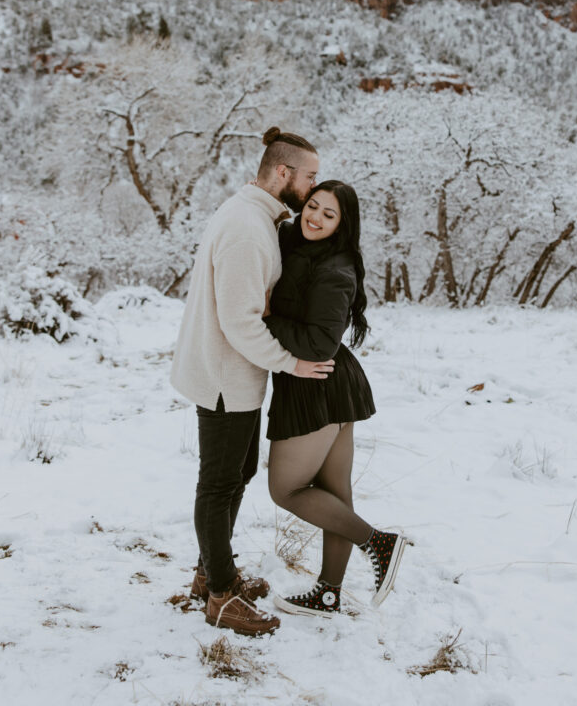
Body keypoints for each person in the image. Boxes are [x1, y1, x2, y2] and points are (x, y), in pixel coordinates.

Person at [170, 128, 335, 637]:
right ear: (282, 173)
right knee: (219, 484)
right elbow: (241, 322)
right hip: (225, 376)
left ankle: (210, 573)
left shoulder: (254, 217)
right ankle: (220, 596)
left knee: (234, 476)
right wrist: (291, 362)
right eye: (308, 176)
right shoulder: (247, 228)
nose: (312, 187)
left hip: (230, 374)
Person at [264, 180, 409, 617]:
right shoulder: (297, 241)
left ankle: (379, 543)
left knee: (285, 489)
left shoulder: (335, 269)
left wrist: (268, 316)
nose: (316, 218)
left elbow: (319, 344)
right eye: (313, 206)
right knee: (334, 496)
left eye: (330, 215)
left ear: (343, 226)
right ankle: (328, 594)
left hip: (317, 383)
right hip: (329, 385)